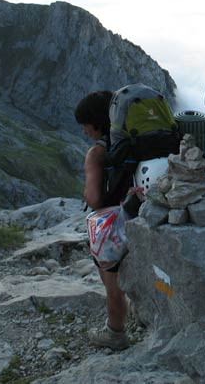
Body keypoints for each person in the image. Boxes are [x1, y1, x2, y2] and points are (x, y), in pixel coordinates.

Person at [75, 90, 130, 351]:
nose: (84, 131)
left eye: (85, 126)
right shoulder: (132, 142)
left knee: (113, 285)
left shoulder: (97, 152)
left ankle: (115, 333)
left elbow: (95, 198)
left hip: (112, 227)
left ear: (96, 122)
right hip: (141, 216)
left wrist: (85, 193)